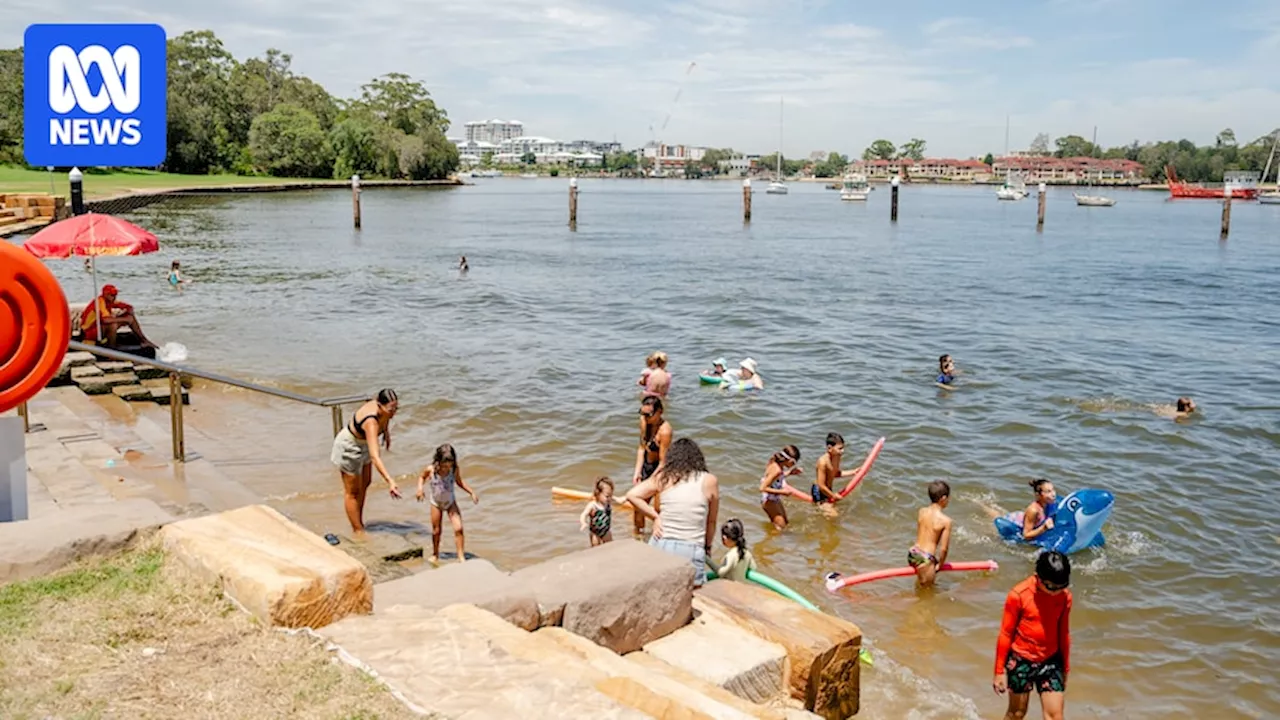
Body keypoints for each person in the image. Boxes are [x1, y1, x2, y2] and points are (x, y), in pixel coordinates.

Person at [626, 437, 720, 587]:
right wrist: (707, 547)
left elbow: (632, 495)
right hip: (691, 548)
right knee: (690, 596)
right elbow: (711, 521)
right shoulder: (710, 481)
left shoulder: (664, 477)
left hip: (662, 544)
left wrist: (655, 517)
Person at [994, 551, 1073, 720]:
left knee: (1055, 716)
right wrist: (999, 670)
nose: (1055, 592)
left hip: (1051, 660)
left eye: (1061, 586)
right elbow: (1006, 634)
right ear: (1037, 577)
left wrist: (1065, 668)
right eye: (1050, 587)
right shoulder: (1018, 595)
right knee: (1017, 713)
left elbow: (1064, 633)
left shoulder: (1064, 597)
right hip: (1021, 660)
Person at [331, 389, 402, 533]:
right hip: (350, 447)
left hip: (364, 443)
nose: (393, 413)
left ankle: (359, 521)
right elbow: (375, 457)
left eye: (396, 408)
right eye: (390, 409)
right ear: (379, 405)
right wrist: (390, 481)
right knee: (353, 491)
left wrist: (386, 433)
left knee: (366, 482)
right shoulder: (371, 422)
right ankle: (358, 531)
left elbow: (386, 418)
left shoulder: (385, 411)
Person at [416, 443, 479, 563]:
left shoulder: (454, 469)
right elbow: (421, 477)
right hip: (436, 503)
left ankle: (461, 556)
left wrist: (471, 492)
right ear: (438, 461)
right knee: (436, 531)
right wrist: (420, 489)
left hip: (450, 502)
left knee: (458, 528)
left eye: (449, 466)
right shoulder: (431, 470)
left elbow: (460, 483)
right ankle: (435, 554)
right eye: (444, 466)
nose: (446, 469)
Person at [632, 396, 673, 535]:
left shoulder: (665, 431)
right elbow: (641, 448)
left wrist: (651, 480)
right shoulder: (644, 422)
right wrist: (637, 472)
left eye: (648, 415)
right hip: (647, 466)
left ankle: (659, 537)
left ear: (659, 412)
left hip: (660, 470)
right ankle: (638, 535)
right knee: (638, 507)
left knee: (658, 509)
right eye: (642, 413)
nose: (645, 418)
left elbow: (663, 462)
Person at [80, 284, 158, 349]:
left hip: (99, 327)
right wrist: (124, 319)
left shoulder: (110, 301)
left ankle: (144, 340)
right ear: (106, 294)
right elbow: (105, 320)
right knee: (113, 325)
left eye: (115, 295)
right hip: (88, 331)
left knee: (129, 316)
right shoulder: (100, 301)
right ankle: (112, 348)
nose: (115, 297)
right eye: (112, 295)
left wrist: (129, 309)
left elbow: (125, 305)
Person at [909, 480, 953, 587]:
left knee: (920, 585)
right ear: (943, 498)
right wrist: (940, 565)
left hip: (914, 552)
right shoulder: (946, 521)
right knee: (927, 593)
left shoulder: (922, 511)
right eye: (948, 497)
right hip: (926, 557)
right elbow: (944, 549)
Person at [812, 432, 863, 514]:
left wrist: (853, 472)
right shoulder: (822, 462)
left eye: (843, 448)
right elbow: (821, 485)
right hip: (819, 491)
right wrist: (833, 495)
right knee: (834, 515)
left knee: (835, 512)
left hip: (828, 489)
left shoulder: (837, 457)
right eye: (840, 448)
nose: (842, 451)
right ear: (829, 448)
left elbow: (835, 474)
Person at [759, 445, 802, 530]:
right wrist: (783, 492)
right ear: (789, 460)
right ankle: (767, 542)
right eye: (793, 463)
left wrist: (790, 472)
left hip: (774, 499)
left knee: (785, 523)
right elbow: (762, 488)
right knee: (780, 528)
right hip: (769, 501)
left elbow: (777, 478)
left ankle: (771, 541)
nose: (794, 465)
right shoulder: (777, 470)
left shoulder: (777, 465)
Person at [716, 518, 756, 582]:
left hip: (730, 588)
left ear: (724, 538)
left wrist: (707, 560)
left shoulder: (731, 555)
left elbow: (720, 573)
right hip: (741, 587)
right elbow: (753, 568)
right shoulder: (747, 553)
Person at [579, 476, 614, 546]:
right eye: (607, 496)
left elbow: (620, 500)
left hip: (606, 531)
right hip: (595, 533)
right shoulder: (593, 505)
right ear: (598, 494)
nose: (609, 498)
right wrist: (583, 523)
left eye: (611, 495)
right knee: (596, 548)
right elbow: (583, 514)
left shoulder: (608, 503)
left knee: (610, 546)